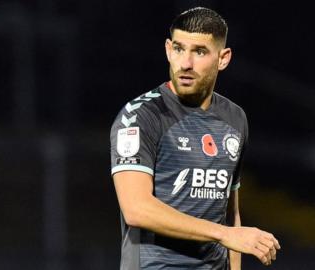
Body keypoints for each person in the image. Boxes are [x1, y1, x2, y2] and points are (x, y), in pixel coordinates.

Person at [110, 7, 280, 269]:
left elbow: (229, 213)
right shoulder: (141, 116)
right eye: (179, 49)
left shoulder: (235, 119)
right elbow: (136, 209)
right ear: (168, 49)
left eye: (199, 52)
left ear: (223, 58)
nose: (185, 63)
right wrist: (225, 235)